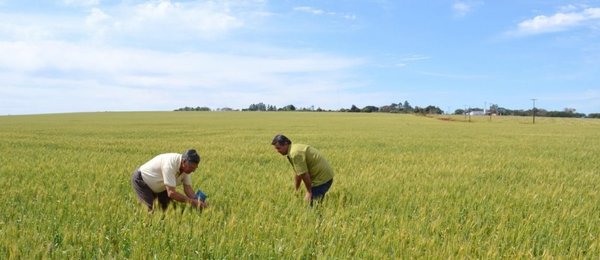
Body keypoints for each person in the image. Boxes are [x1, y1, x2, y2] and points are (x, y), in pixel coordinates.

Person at [131, 149, 207, 212]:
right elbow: (171, 193)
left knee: (170, 209)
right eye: (191, 168)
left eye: (195, 168)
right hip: (142, 180)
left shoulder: (186, 169)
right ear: (183, 162)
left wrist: (198, 200)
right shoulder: (170, 165)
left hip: (161, 186)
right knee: (150, 211)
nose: (193, 171)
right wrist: (192, 202)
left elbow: (188, 189)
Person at [271, 134, 334, 204]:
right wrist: (296, 189)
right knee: (312, 203)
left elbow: (304, 174)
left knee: (311, 207)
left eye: (278, 148)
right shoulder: (293, 149)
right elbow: (299, 172)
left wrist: (309, 192)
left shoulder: (295, 153)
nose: (277, 151)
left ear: (286, 144)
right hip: (324, 176)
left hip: (322, 180)